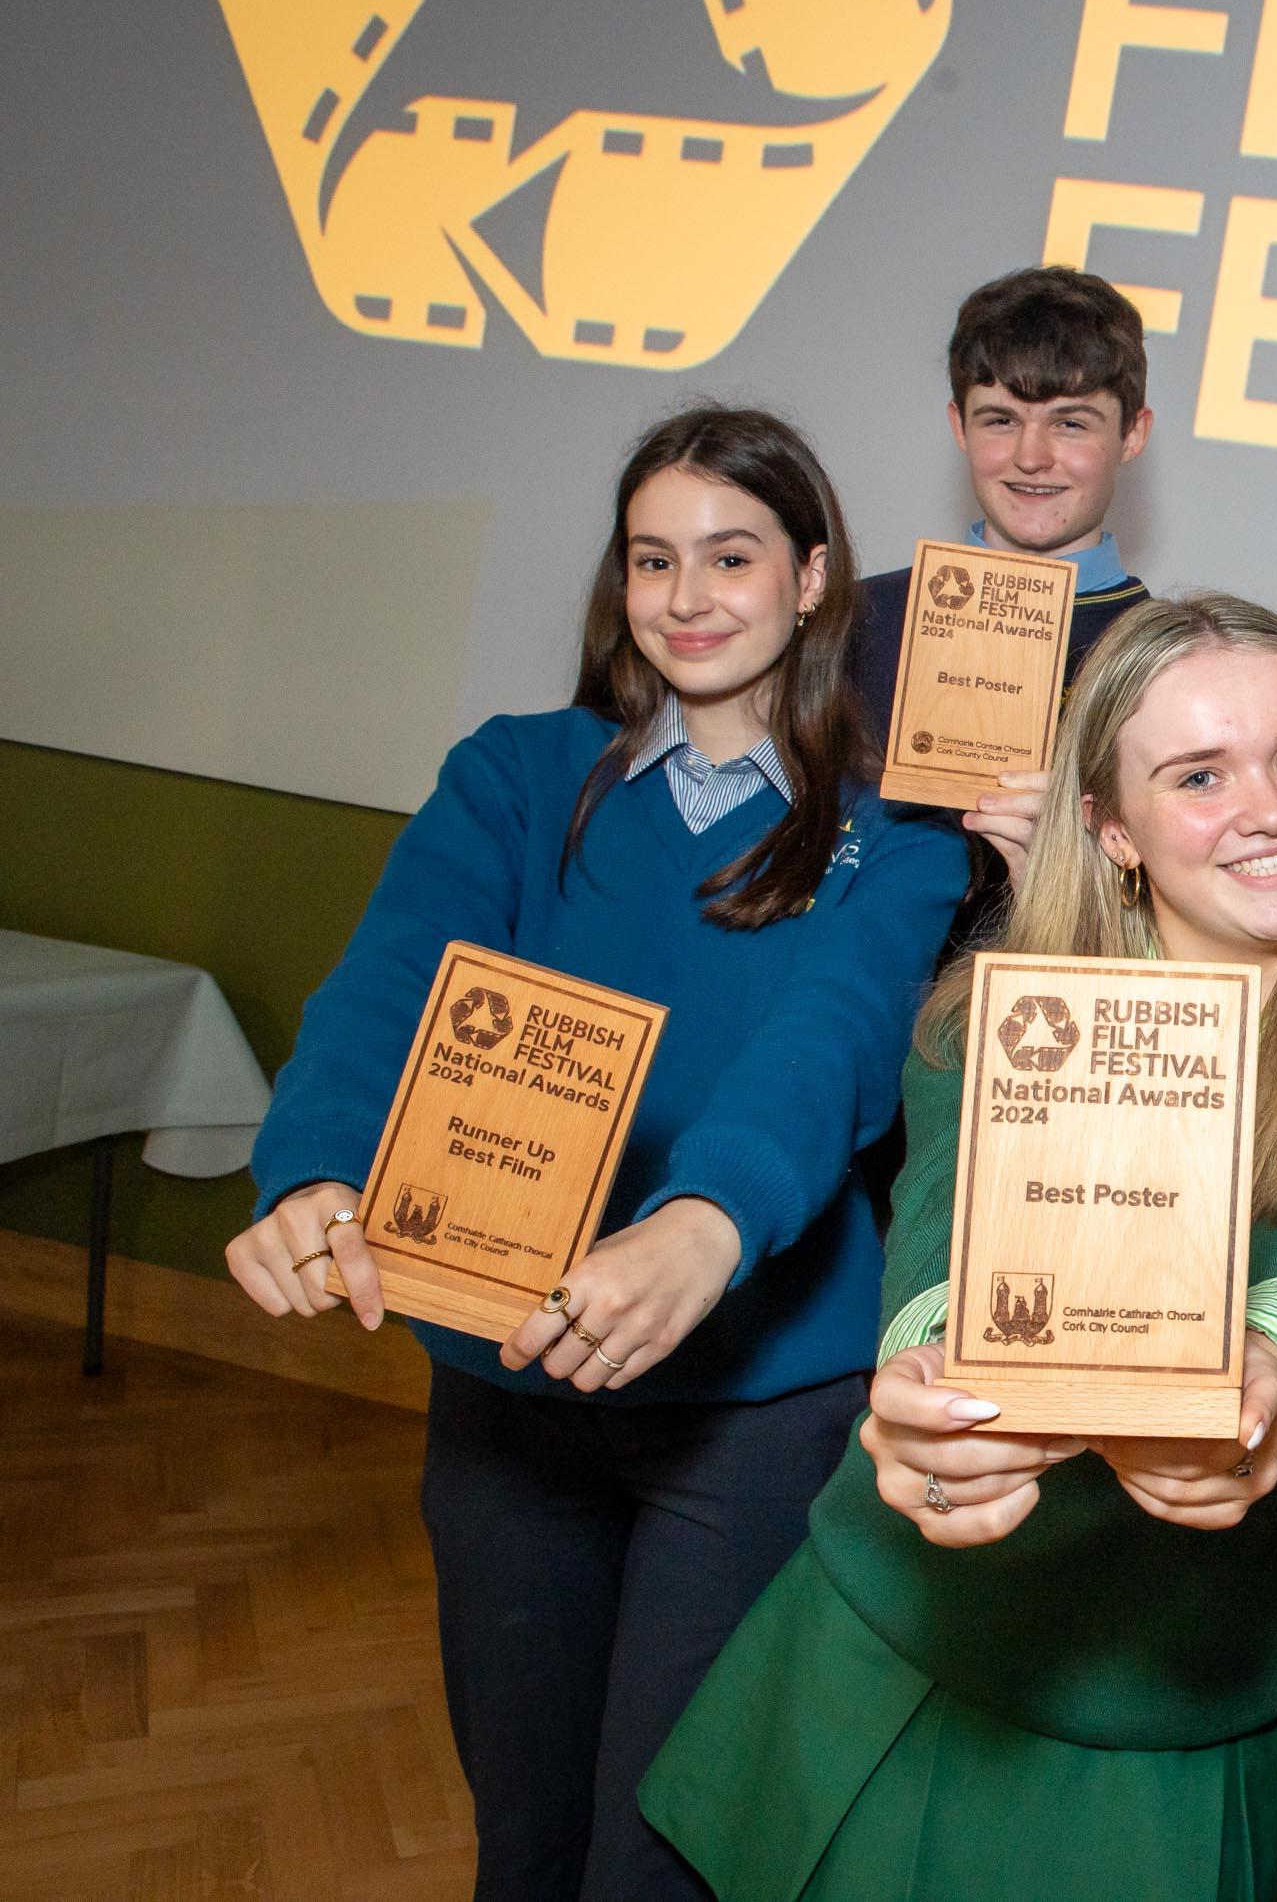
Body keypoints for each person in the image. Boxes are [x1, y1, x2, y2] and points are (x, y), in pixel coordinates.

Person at [641, 595, 1277, 1901]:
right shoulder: (987, 1020)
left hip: (1163, 1704)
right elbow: (941, 1256)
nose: (1270, 806)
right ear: (1111, 830)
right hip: (892, 1644)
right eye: (1198, 775)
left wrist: (1270, 1381)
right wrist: (934, 1399)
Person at [224, 407, 971, 1901]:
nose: (689, 596)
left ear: (815, 578)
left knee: (659, 1860)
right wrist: (311, 1165)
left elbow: (826, 1048)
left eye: (733, 554)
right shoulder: (514, 777)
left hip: (753, 1411)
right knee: (525, 1838)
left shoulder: (903, 834)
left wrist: (706, 1220)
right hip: (507, 1387)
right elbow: (386, 989)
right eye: (653, 559)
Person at [850, 265, 1158, 905]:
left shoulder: (1171, 660)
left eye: (1071, 423)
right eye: (999, 420)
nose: (1031, 456)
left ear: (1132, 434)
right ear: (959, 426)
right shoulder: (854, 622)